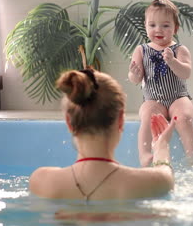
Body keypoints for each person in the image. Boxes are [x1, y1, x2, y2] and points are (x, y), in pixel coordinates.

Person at [29, 68, 175, 201]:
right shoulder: (153, 182)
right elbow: (165, 172)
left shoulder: (41, 181)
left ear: (69, 122)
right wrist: (161, 149)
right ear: (120, 120)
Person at [128, 0, 193, 166]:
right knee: (147, 116)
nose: (158, 30)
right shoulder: (141, 50)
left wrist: (173, 62)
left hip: (178, 97)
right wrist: (135, 76)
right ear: (145, 26)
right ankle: (145, 155)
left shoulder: (180, 50)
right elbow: (134, 78)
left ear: (175, 28)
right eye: (152, 25)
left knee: (184, 117)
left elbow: (186, 73)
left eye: (165, 25)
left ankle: (192, 158)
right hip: (153, 99)